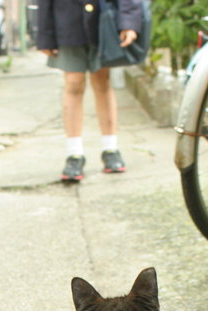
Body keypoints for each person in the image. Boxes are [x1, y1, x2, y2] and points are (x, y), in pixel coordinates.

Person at [35, 0, 143, 181]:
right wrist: (45, 34)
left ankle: (111, 149)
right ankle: (74, 154)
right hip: (67, 23)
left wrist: (129, 23)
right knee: (73, 82)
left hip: (102, 21)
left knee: (102, 81)